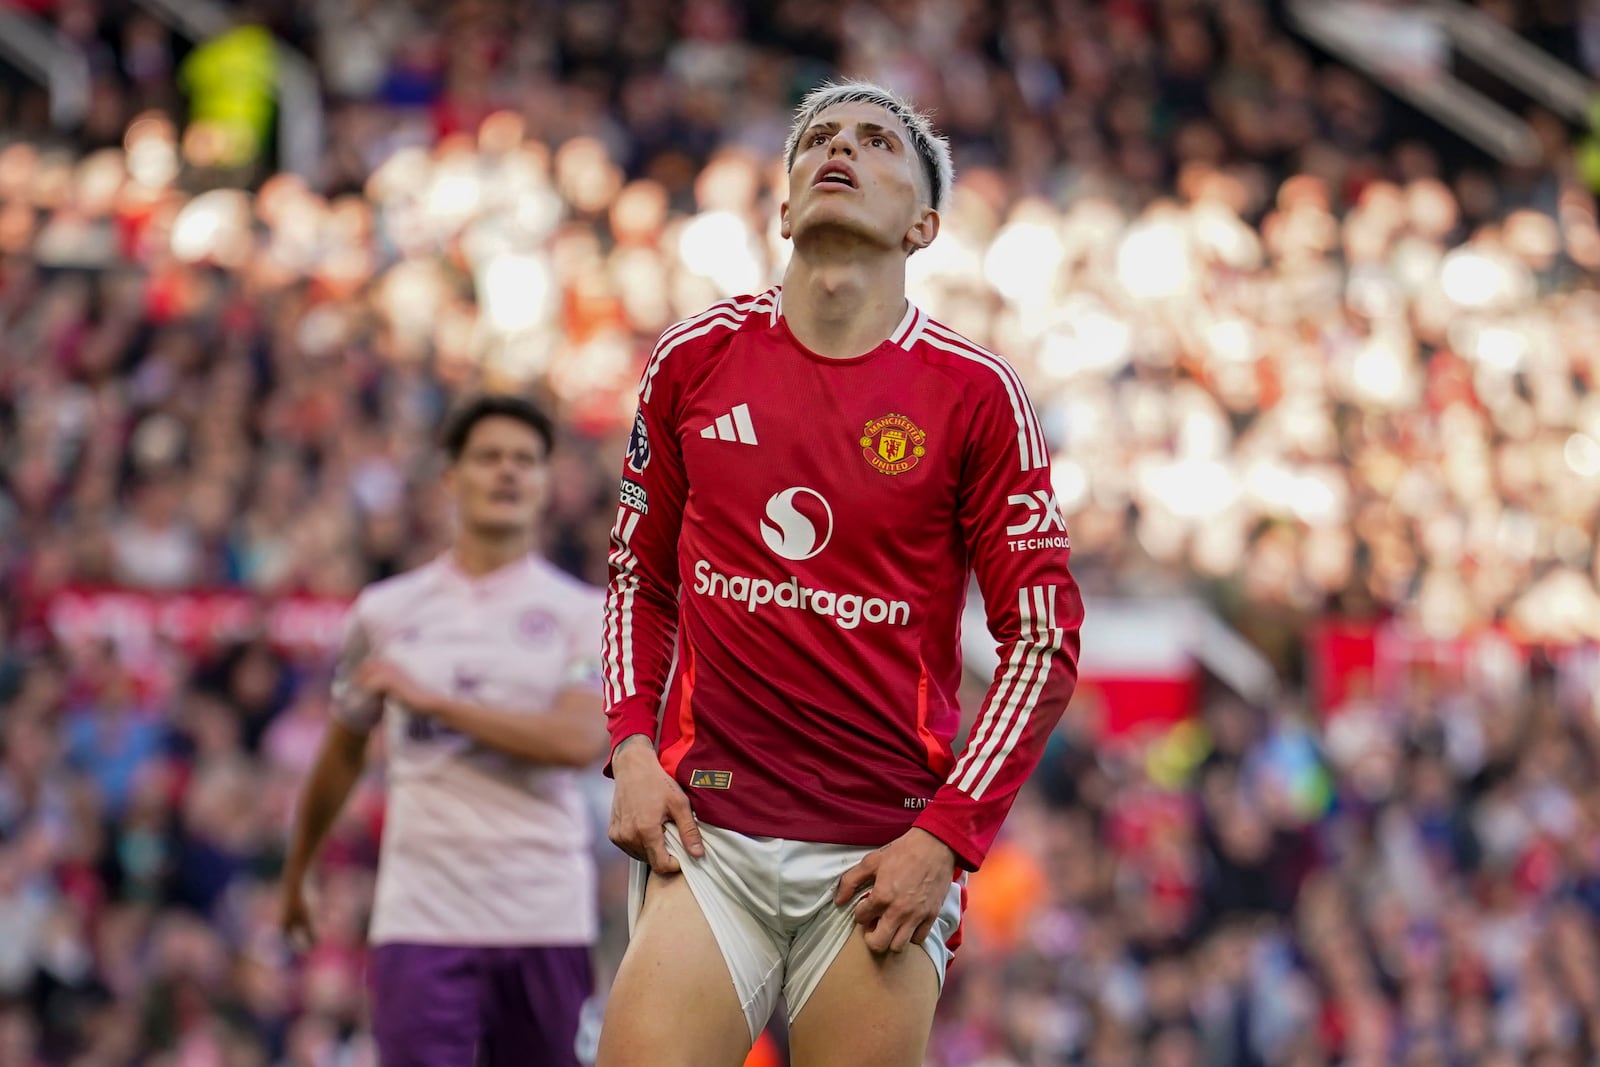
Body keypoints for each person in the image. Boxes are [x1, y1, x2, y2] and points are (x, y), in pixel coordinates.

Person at [596, 81, 1085, 1067]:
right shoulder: (693, 358)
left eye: (876, 143)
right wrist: (631, 748)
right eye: (817, 138)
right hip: (710, 829)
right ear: (782, 209)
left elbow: (1041, 639)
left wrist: (944, 838)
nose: (839, 149)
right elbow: (636, 579)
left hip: (882, 847)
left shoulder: (976, 395)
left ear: (923, 223)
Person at [279, 394, 609, 1067]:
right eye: (489, 457)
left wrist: (435, 701)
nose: (507, 473)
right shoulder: (384, 612)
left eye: (525, 460)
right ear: (450, 478)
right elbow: (341, 752)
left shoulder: (581, 613)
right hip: (422, 917)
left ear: (547, 483)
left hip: (543, 914)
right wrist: (298, 870)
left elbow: (579, 742)